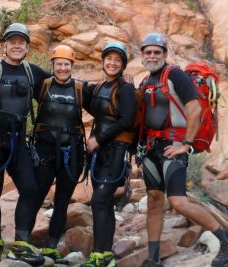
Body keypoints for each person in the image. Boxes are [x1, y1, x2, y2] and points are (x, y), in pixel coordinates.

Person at [138, 32, 228, 267]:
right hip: (150, 148)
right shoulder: (146, 82)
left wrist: (186, 144)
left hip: (174, 145)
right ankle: (152, 258)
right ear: (142, 55)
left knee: (178, 201)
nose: (152, 56)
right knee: (154, 200)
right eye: (148, 52)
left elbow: (194, 109)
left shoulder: (175, 74)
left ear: (165, 54)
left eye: (157, 52)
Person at [0, 23, 50, 266]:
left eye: (21, 42)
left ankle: (20, 242)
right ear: (4, 45)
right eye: (12, 42)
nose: (17, 46)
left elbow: (61, 85)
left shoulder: (33, 73)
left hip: (18, 139)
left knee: (29, 189)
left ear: (27, 47)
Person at [81, 41, 138, 267]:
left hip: (117, 151)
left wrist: (97, 139)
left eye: (117, 60)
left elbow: (126, 120)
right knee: (104, 204)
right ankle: (105, 254)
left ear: (123, 65)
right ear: (103, 62)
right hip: (100, 153)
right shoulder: (99, 88)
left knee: (99, 200)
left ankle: (97, 254)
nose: (112, 63)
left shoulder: (125, 90)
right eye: (109, 59)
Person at [30, 45, 86, 264]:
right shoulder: (43, 85)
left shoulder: (81, 89)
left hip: (71, 151)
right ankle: (22, 241)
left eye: (66, 64)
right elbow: (24, 72)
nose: (62, 68)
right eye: (58, 64)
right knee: (36, 195)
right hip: (44, 149)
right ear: (52, 65)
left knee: (62, 201)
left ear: (72, 66)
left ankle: (51, 247)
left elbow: (105, 107)